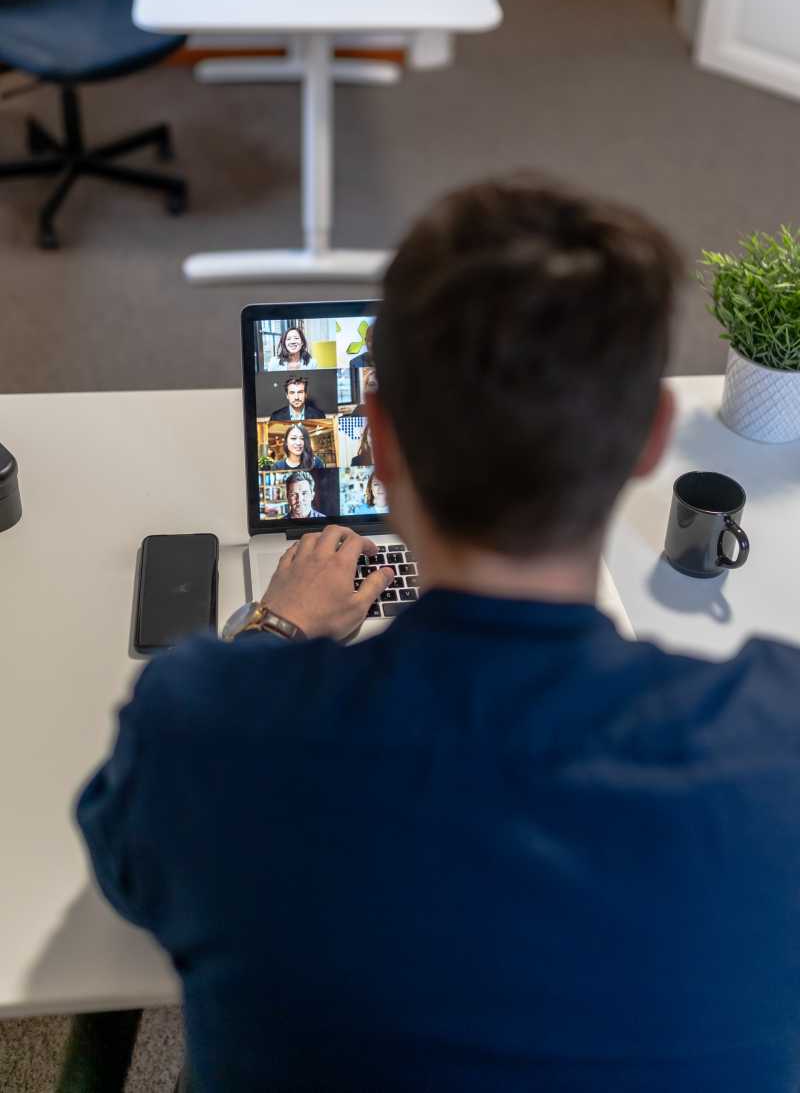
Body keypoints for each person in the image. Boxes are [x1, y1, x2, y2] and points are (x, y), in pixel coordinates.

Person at [77, 176, 800, 1093]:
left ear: (377, 435)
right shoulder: (780, 739)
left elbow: (122, 876)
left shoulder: (201, 728)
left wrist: (275, 626)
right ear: (652, 438)